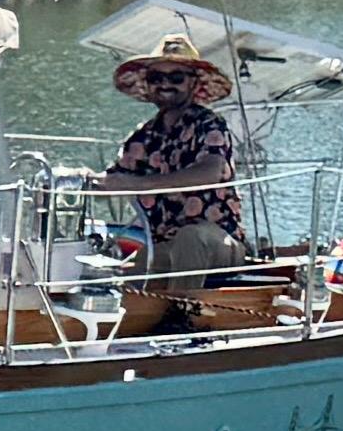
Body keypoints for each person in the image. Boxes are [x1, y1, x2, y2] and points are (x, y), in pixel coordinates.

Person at [89, 32, 246, 330]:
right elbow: (115, 178)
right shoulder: (145, 134)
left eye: (176, 76)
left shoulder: (209, 124)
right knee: (127, 271)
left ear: (193, 82)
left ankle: (183, 317)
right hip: (167, 246)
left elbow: (210, 171)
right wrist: (76, 181)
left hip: (219, 243)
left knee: (191, 236)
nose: (165, 84)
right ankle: (114, 326)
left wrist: (139, 185)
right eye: (157, 77)